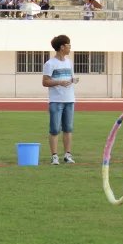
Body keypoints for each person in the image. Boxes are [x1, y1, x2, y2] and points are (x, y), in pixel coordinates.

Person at [42, 35, 77, 165]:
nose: (70, 47)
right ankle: (54, 156)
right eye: (68, 45)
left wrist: (73, 80)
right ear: (62, 47)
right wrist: (59, 82)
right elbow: (45, 82)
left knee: (68, 128)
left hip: (69, 99)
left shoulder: (69, 62)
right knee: (55, 129)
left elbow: (71, 78)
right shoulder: (50, 63)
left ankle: (68, 155)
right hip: (56, 100)